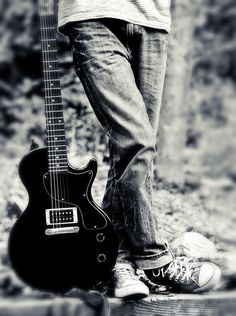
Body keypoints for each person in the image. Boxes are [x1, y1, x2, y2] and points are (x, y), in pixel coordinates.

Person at [58, 0, 221, 298]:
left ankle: (115, 262)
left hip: (152, 17)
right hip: (94, 16)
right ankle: (154, 259)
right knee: (137, 143)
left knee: (131, 152)